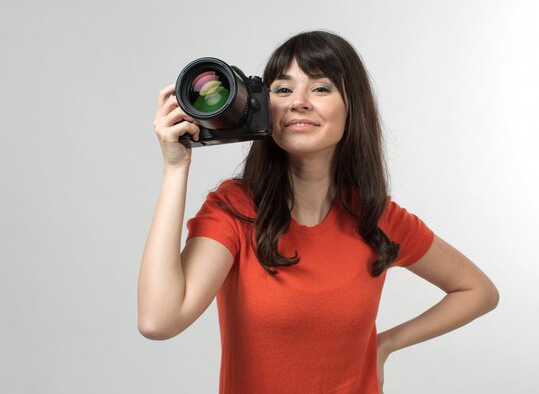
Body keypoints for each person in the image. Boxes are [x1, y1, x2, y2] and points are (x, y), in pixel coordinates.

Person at [138, 30, 499, 394]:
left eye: (321, 88)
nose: (299, 102)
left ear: (351, 106)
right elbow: (159, 320)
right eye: (282, 89)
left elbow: (477, 290)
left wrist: (385, 344)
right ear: (264, 108)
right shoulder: (235, 210)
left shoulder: (375, 216)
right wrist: (175, 169)